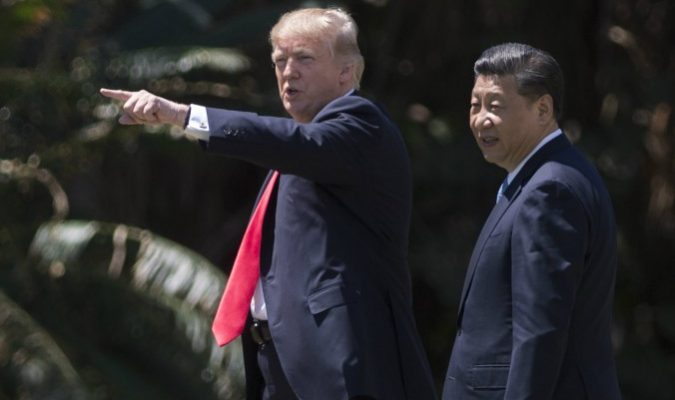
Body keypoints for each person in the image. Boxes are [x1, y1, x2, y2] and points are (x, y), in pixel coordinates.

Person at [101, 7, 438, 400]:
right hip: (279, 359)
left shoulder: (360, 123)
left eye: (305, 59)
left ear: (346, 72)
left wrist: (183, 115)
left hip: (339, 362)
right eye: (280, 61)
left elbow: (293, 145)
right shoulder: (304, 144)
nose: (288, 71)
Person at [442, 43, 621, 399]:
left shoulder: (550, 190)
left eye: (495, 106)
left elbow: (541, 331)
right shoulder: (540, 178)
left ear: (543, 109)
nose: (481, 119)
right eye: (475, 105)